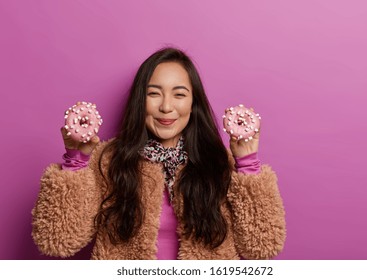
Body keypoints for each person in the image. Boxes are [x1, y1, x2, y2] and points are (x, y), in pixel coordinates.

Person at [32, 47, 286, 259]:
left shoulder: (218, 164)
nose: (166, 107)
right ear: (139, 100)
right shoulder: (108, 160)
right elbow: (56, 240)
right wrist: (76, 161)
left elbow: (263, 246)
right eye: (154, 93)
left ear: (193, 103)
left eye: (179, 94)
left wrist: (247, 164)